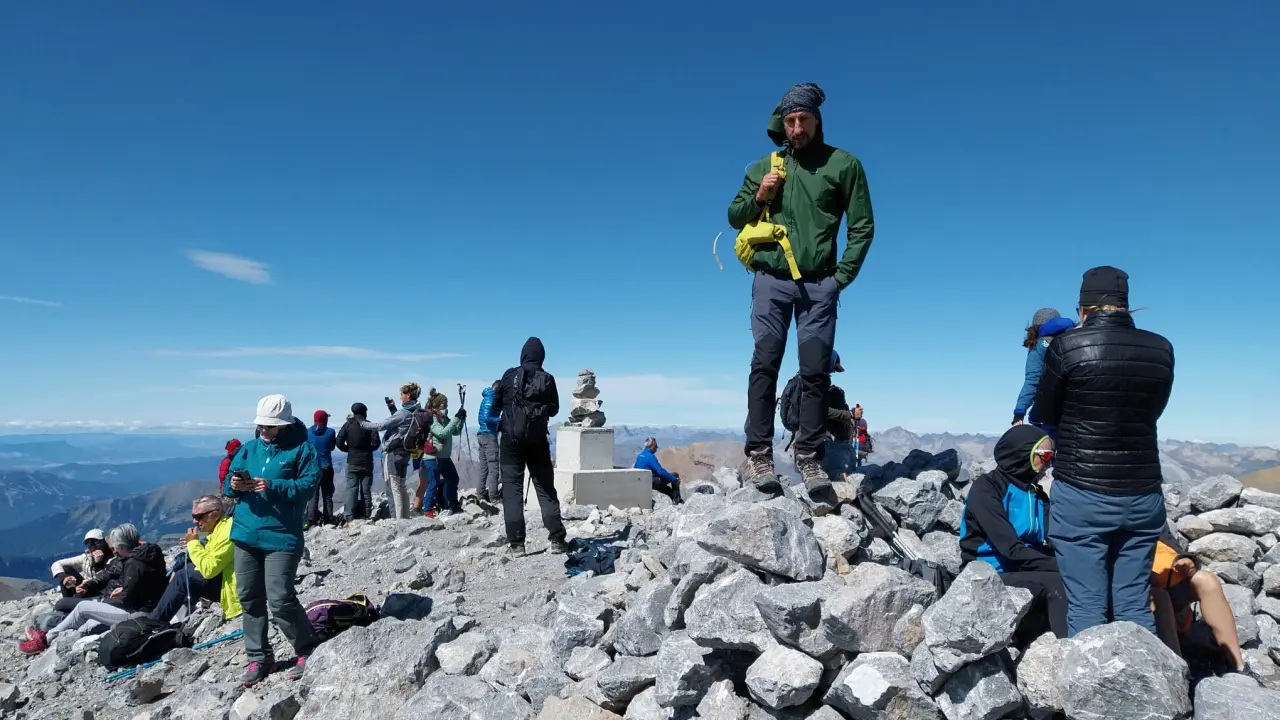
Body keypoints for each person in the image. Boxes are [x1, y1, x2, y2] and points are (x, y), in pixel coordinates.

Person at [727, 82, 875, 498]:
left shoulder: (844, 165)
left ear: (816, 120)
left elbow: (862, 227)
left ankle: (809, 456)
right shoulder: (766, 166)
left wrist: (840, 278)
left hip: (819, 285)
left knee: (815, 371)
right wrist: (760, 195)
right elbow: (735, 215)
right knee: (765, 363)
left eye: (803, 119)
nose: (796, 128)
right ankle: (759, 452)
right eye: (790, 120)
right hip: (771, 281)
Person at [1035, 266, 1174, 637]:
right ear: (1126, 305)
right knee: (1134, 604)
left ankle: (1091, 676)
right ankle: (1144, 671)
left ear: (1083, 308)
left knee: (1086, 606)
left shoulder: (1067, 346)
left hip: (1082, 491)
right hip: (1144, 493)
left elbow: (1045, 412)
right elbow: (1154, 410)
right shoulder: (1161, 349)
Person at [224, 394, 320, 686]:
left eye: (270, 426)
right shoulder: (249, 448)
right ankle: (259, 658)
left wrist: (273, 485)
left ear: (285, 424)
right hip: (246, 532)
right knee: (248, 597)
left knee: (279, 598)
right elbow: (228, 483)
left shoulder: (303, 450)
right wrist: (234, 484)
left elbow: (308, 487)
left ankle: (307, 649)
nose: (264, 430)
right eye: (261, 425)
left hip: (282, 535)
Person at [958, 424, 1068, 639]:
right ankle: (1068, 649)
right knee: (1060, 582)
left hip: (1021, 566)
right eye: (1046, 455)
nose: (1049, 463)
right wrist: (1064, 566)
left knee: (1083, 577)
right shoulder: (987, 489)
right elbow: (1011, 550)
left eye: (1052, 456)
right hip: (990, 572)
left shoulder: (1036, 494)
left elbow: (1054, 538)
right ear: (1022, 453)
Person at [20, 524, 166, 655]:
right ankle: (50, 636)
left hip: (138, 614)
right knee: (85, 627)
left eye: (115, 547)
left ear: (122, 546)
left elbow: (126, 601)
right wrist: (122, 590)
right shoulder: (150, 552)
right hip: (150, 607)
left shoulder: (133, 564)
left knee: (83, 608)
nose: (114, 551)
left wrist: (110, 599)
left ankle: (44, 640)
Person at [491, 337, 568, 556]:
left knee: (511, 489)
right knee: (545, 488)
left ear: (523, 355)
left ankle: (517, 544)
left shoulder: (508, 376)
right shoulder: (548, 379)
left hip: (510, 441)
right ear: (541, 357)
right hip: (538, 441)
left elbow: (496, 406)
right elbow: (554, 409)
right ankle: (557, 539)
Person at [1151, 539, 1245, 672]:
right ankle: (1178, 671)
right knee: (1160, 596)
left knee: (1206, 580)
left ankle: (1238, 665)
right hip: (1145, 597)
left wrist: (1188, 560)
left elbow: (1173, 548)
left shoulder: (1154, 526)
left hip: (1173, 585)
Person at [150, 496, 241, 623]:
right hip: (225, 580)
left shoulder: (227, 531)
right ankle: (172, 616)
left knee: (184, 576)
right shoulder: (219, 529)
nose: (194, 521)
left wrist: (193, 543)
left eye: (199, 517)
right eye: (193, 517)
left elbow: (209, 569)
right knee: (187, 569)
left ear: (215, 515)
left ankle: (155, 623)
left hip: (234, 591)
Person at [358, 382, 424, 520]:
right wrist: (392, 408)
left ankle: (398, 520)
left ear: (408, 395)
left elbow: (381, 426)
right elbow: (402, 423)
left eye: (402, 394)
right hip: (406, 451)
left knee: (394, 487)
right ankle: (405, 517)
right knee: (401, 485)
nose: (400, 397)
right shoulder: (417, 411)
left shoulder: (403, 413)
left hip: (394, 452)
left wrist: (362, 422)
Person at [1013, 309, 1076, 426]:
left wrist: (1019, 412)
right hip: (1075, 412)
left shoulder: (1040, 345)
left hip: (1046, 414)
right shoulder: (1075, 340)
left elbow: (1033, 380)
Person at [419, 392, 465, 517]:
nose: (446, 405)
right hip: (432, 457)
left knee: (453, 478)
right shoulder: (432, 419)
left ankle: (452, 505)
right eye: (444, 403)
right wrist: (456, 418)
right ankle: (428, 509)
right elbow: (443, 433)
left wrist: (461, 419)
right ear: (437, 404)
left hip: (443, 456)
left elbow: (455, 431)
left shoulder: (444, 418)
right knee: (433, 483)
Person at [336, 402, 381, 523]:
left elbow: (339, 441)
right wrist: (368, 449)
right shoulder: (368, 425)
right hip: (366, 461)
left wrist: (348, 449)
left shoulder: (348, 425)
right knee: (366, 488)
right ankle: (367, 513)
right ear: (364, 412)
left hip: (352, 461)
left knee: (351, 488)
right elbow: (376, 442)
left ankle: (349, 516)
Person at [49, 529, 110, 599]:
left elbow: (103, 580)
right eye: (89, 544)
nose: (92, 547)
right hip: (85, 586)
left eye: (96, 543)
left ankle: (71, 601)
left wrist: (99, 563)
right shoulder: (86, 557)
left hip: (99, 591)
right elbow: (57, 563)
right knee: (66, 569)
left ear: (104, 543)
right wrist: (64, 577)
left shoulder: (112, 559)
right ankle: (68, 599)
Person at [305, 410, 337, 528]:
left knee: (313, 495)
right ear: (325, 419)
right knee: (327, 495)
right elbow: (332, 447)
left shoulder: (307, 432)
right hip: (326, 467)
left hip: (312, 468)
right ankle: (328, 519)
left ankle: (311, 519)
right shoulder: (330, 432)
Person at [475, 380, 502, 503]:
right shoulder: (491, 398)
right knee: (493, 468)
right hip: (489, 435)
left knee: (484, 468)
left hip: (482, 434)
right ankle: (494, 497)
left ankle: (480, 494)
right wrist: (500, 420)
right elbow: (487, 417)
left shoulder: (486, 397)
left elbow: (482, 417)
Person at [635, 437, 681, 503]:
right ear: (651, 446)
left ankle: (673, 499)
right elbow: (660, 471)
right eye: (655, 446)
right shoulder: (650, 456)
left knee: (668, 489)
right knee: (675, 475)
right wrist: (674, 480)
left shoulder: (640, 455)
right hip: (651, 482)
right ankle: (677, 501)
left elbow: (635, 468)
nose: (657, 447)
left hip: (643, 481)